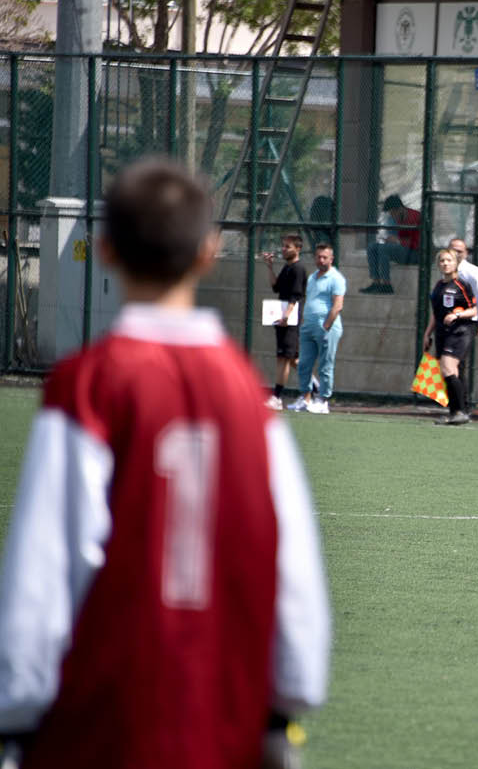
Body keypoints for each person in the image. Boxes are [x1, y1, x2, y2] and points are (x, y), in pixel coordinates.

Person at [0, 157, 330, 769]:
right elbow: (293, 570)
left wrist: (18, 711)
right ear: (210, 252)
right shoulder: (250, 401)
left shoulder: (89, 386)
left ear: (105, 251)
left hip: (107, 728)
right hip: (223, 730)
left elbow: (44, 566)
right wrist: (286, 699)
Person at [423, 248, 478, 425]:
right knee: (448, 371)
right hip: (442, 333)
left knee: (448, 367)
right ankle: (456, 412)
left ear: (456, 263)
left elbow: (474, 310)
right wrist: (427, 333)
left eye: (449, 260)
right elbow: (436, 313)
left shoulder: (462, 285)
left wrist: (457, 315)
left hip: (460, 331)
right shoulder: (438, 286)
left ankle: (461, 411)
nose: (445, 263)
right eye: (442, 261)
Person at [289, 243, 345, 414]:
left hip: (327, 328)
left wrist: (326, 326)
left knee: (325, 365)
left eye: (324, 257)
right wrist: (305, 322)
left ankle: (322, 400)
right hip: (308, 328)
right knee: (304, 363)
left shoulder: (336, 278)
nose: (321, 260)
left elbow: (337, 305)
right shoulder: (313, 277)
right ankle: (305, 398)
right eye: (318, 256)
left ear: (331, 259)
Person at [261, 234, 306, 410]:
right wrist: (270, 267)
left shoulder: (298, 269)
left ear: (298, 249)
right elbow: (275, 287)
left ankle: (277, 397)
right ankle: (315, 386)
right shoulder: (287, 268)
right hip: (281, 318)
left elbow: (295, 296)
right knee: (292, 358)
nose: (284, 249)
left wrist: (287, 316)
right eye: (283, 246)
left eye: (288, 246)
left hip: (289, 320)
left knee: (284, 358)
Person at [362, 194, 421, 294]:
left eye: (394, 212)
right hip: (402, 250)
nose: (393, 215)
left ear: (400, 209)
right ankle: (376, 282)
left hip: (415, 254)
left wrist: (399, 241)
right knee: (372, 247)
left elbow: (419, 243)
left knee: (384, 249)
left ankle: (386, 284)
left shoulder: (416, 217)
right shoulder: (396, 219)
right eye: (391, 213)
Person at [449, 237, 478, 336]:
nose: (457, 254)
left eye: (460, 251)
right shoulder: (446, 270)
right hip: (447, 322)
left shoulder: (473, 272)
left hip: (466, 323)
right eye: (453, 250)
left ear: (466, 253)